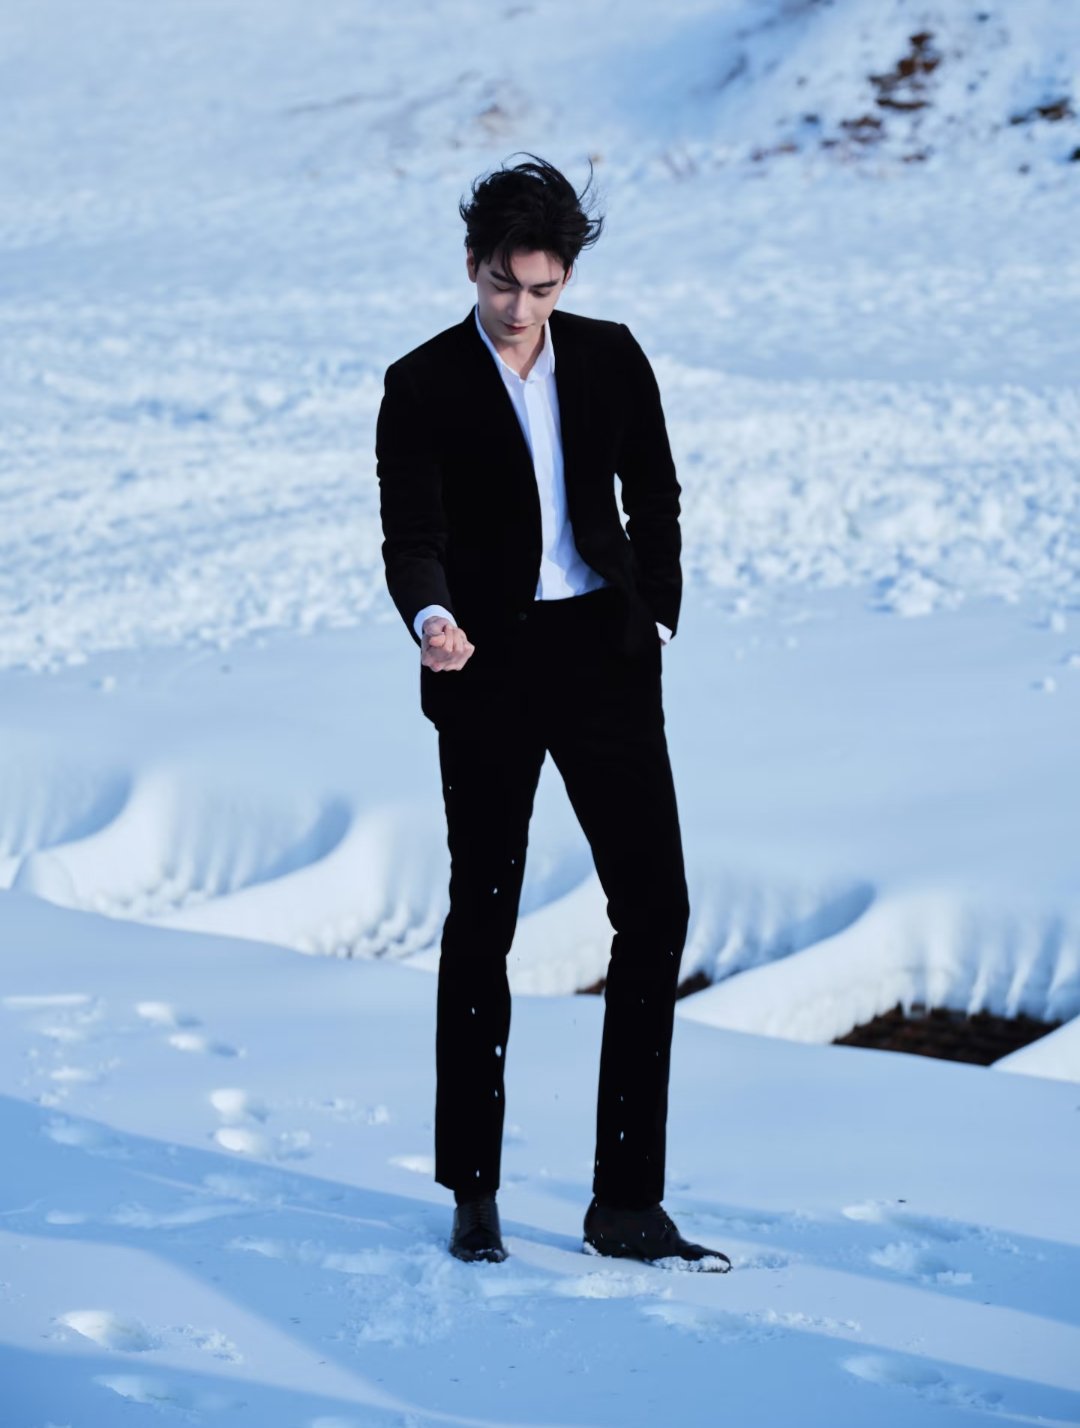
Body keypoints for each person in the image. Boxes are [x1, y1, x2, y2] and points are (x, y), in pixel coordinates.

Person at [375, 154, 730, 1272]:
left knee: (657, 910)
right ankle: (473, 1192)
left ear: (566, 276)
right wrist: (433, 616)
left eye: (541, 287)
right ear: (470, 265)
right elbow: (411, 535)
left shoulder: (613, 355)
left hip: (604, 659)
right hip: (483, 667)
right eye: (501, 284)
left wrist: (654, 608)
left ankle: (625, 1201)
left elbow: (654, 490)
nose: (519, 309)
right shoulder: (420, 383)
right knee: (483, 919)